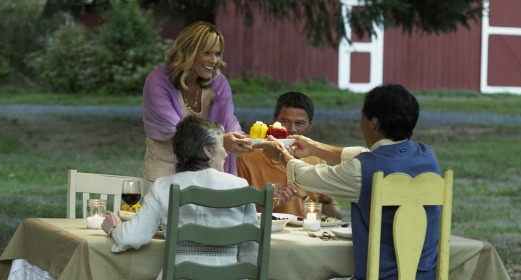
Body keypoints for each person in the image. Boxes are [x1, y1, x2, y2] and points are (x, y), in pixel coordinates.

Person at [257, 84, 441, 280]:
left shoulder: (362, 170)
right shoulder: (428, 156)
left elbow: (304, 176)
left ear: (374, 123)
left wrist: (280, 155)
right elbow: (365, 155)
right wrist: (315, 148)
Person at [101, 115, 259, 278]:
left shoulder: (164, 186)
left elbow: (133, 237)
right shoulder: (240, 186)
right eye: (222, 146)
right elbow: (252, 250)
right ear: (208, 151)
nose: (226, 153)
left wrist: (114, 230)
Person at [141, 21, 251, 182]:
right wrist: (221, 140)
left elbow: (230, 125)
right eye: (207, 53)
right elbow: (177, 133)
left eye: (218, 54)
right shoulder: (157, 82)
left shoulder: (219, 83)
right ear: (189, 52)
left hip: (206, 171)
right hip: (165, 171)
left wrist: (253, 141)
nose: (214, 60)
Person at [237, 92, 341, 218]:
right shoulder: (248, 159)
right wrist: (269, 202)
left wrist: (327, 199)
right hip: (266, 234)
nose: (292, 129)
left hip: (306, 234)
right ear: (275, 121)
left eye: (300, 123)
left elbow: (336, 217)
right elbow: (237, 211)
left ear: (310, 125)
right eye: (285, 121)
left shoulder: (317, 159)